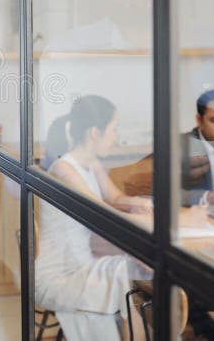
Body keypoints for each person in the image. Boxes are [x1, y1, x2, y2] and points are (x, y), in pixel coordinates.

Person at [35, 95, 204, 341]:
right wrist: (182, 220)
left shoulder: (90, 163)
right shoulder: (64, 170)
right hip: (63, 275)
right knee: (126, 273)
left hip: (86, 262)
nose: (115, 136)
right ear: (95, 132)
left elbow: (114, 199)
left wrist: (137, 203)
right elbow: (106, 217)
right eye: (113, 129)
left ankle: (155, 329)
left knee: (135, 272)